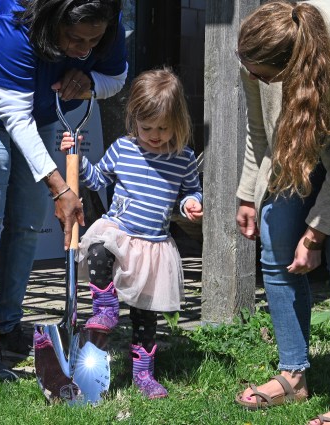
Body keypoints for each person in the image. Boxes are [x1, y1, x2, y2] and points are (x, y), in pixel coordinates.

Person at [0, 0, 128, 382]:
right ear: (53, 20)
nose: (84, 49)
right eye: (74, 38)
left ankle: (9, 327)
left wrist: (90, 83)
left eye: (93, 40)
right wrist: (59, 186)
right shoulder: (11, 27)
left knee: (29, 221)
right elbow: (15, 117)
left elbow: (116, 76)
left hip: (37, 111)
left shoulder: (108, 22)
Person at [59, 68, 203, 399]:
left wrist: (192, 205)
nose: (154, 134)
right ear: (133, 119)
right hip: (120, 230)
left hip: (154, 246)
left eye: (163, 128)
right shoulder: (124, 149)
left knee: (145, 316)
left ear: (177, 122)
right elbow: (97, 181)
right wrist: (76, 158)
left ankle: (143, 375)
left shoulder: (182, 157)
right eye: (146, 127)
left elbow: (190, 194)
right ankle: (106, 306)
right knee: (97, 245)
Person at [232, 1, 330, 422]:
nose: (251, 76)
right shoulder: (264, 47)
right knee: (275, 240)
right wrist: (246, 192)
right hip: (296, 151)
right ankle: (294, 375)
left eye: (260, 74)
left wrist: (316, 235)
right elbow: (260, 131)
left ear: (292, 66)